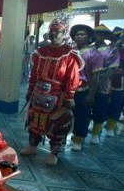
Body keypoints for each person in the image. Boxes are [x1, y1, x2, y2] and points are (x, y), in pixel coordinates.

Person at [20, 16, 83, 166]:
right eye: (52, 30)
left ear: (65, 33)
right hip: (38, 93)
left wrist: (69, 97)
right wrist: (30, 89)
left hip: (57, 95)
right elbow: (34, 73)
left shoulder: (69, 54)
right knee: (34, 119)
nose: (54, 34)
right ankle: (32, 145)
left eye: (58, 31)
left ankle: (54, 152)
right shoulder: (41, 51)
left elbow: (72, 78)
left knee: (56, 123)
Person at [70, 24, 103, 152]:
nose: (79, 36)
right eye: (77, 34)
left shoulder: (94, 54)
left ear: (89, 37)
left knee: (82, 116)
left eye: (82, 34)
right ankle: (60, 137)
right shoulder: (70, 52)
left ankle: (78, 139)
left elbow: (96, 76)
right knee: (64, 115)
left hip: (83, 91)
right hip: (67, 90)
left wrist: (91, 95)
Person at [90, 24, 119, 144]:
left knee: (99, 109)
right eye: (95, 34)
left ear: (104, 36)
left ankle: (96, 133)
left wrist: (100, 81)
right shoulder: (89, 49)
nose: (97, 36)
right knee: (84, 109)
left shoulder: (111, 51)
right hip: (87, 84)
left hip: (102, 86)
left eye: (100, 34)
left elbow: (111, 69)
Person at [106, 27, 124, 136]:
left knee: (115, 104)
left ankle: (110, 126)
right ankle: (96, 124)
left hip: (118, 83)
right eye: (116, 37)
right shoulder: (106, 50)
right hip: (103, 83)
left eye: (121, 37)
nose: (118, 39)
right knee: (100, 103)